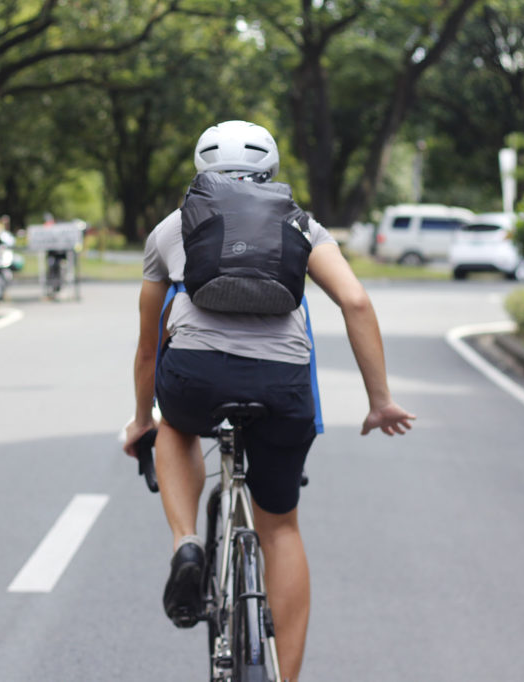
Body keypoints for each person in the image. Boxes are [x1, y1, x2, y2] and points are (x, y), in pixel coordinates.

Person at [122, 120, 414, 681]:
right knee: (279, 528)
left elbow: (147, 348)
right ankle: (284, 678)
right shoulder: (302, 225)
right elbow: (355, 302)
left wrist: (143, 422)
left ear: (199, 168)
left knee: (176, 426)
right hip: (282, 386)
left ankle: (186, 543)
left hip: (194, 377)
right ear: (272, 169)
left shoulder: (171, 228)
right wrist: (379, 401)